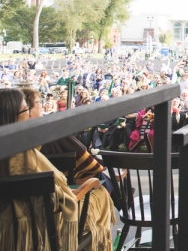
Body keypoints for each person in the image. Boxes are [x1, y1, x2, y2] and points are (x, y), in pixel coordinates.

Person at [0, 88, 116, 251]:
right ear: (15, 115)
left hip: (6, 227)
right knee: (100, 194)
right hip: (41, 227)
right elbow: (58, 196)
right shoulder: (26, 155)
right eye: (26, 109)